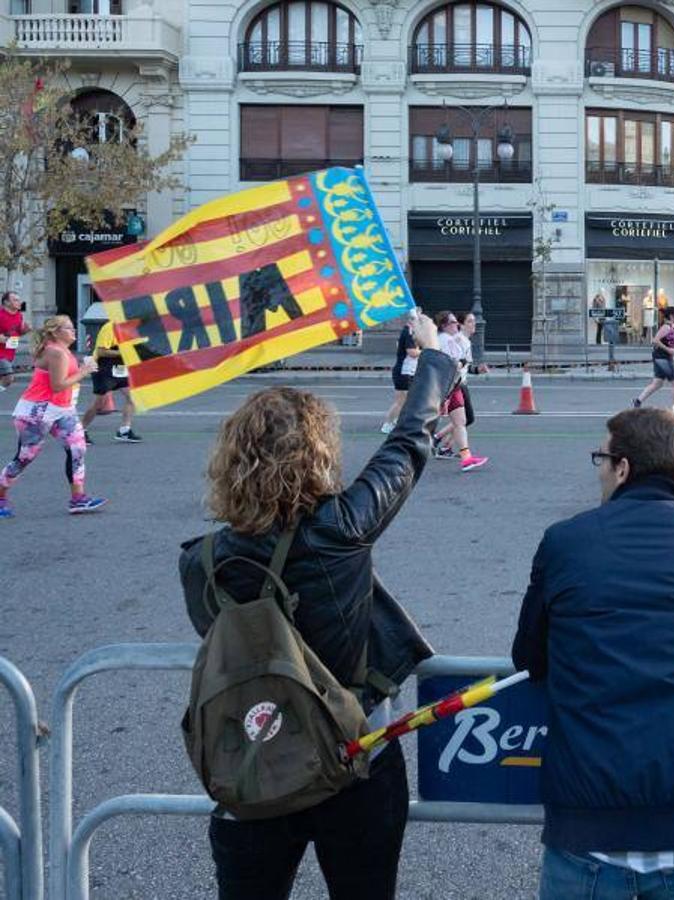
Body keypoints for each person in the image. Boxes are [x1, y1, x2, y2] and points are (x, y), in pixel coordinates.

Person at [177, 312, 453, 900]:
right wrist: (434, 355)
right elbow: (409, 443)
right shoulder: (341, 528)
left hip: (251, 757)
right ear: (319, 454)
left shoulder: (199, 560)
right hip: (356, 755)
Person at [512, 406, 674, 900]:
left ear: (624, 467)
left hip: (588, 817)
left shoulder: (565, 542)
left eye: (601, 458)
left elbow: (529, 656)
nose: (599, 470)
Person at [0, 315, 104, 517]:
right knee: (25, 457)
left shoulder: (61, 350)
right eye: (69, 328)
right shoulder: (56, 352)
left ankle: (78, 499)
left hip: (62, 410)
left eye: (73, 328)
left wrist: (83, 366)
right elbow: (58, 386)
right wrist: (84, 371)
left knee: (77, 448)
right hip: (37, 412)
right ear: (56, 332)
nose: (74, 331)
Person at [433, 311, 487, 472]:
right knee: (460, 421)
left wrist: (470, 367)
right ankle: (434, 442)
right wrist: (460, 363)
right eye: (453, 322)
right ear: (444, 325)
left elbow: (462, 364)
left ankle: (465, 457)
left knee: (462, 421)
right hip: (448, 386)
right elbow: (451, 363)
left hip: (455, 385)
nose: (456, 324)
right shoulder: (444, 340)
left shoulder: (452, 340)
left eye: (456, 321)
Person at [80, 318, 142, 444]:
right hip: (105, 368)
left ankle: (124, 430)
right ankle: (80, 430)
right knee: (99, 403)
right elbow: (102, 351)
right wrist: (123, 352)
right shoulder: (110, 327)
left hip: (121, 368)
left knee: (133, 397)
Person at [632, 306, 674, 410]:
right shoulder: (666, 327)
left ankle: (638, 401)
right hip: (662, 357)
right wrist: (668, 350)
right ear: (672, 316)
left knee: (658, 383)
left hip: (665, 357)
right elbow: (655, 340)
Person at [380, 320, 419, 434]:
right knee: (401, 401)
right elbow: (411, 352)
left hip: (408, 371)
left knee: (408, 400)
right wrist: (425, 351)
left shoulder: (411, 332)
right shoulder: (408, 332)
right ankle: (388, 423)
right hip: (403, 372)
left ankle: (398, 421)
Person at [0, 290, 31, 392]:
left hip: (10, 352)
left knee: (3, 379)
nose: (19, 302)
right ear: (6, 302)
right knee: (9, 378)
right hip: (1, 354)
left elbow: (17, 333)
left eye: (19, 300)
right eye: (15, 300)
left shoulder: (19, 315)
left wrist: (25, 330)